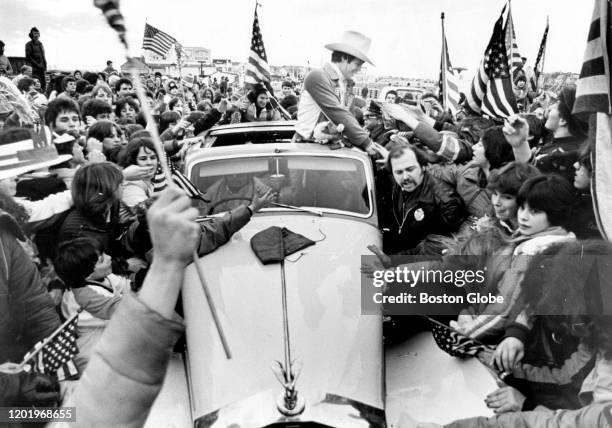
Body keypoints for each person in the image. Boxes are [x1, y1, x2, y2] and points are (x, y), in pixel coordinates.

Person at [294, 30, 382, 156]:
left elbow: (349, 119)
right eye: (358, 64)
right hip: (304, 149)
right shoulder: (317, 76)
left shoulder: (347, 84)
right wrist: (366, 143)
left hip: (329, 150)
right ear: (345, 57)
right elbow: (339, 114)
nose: (359, 69)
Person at [55, 238, 129, 371]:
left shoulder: (103, 277)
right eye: (101, 260)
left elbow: (124, 286)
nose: (109, 257)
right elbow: (125, 310)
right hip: (94, 354)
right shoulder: (83, 297)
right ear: (86, 274)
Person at [382, 144, 466, 254]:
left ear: (423, 166)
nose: (405, 177)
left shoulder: (446, 203)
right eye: (399, 172)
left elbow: (436, 250)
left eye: (410, 169)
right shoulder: (397, 186)